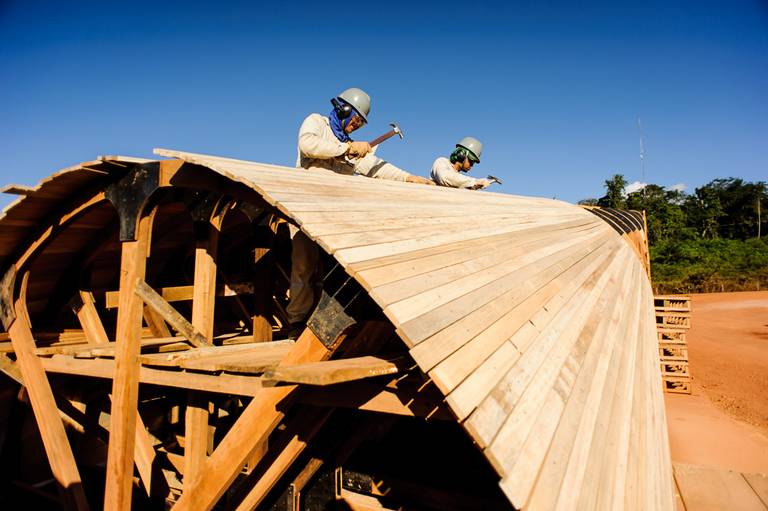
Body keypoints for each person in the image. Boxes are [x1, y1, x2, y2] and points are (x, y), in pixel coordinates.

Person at [286, 88, 433, 337]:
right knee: (303, 266)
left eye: (360, 124)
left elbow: (375, 167)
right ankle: (296, 322)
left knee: (334, 268)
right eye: (354, 120)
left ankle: (323, 326)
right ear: (343, 110)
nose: (355, 127)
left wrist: (409, 178)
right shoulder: (316, 123)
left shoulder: (352, 145)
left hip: (335, 213)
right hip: (305, 208)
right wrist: (347, 149)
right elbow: (307, 144)